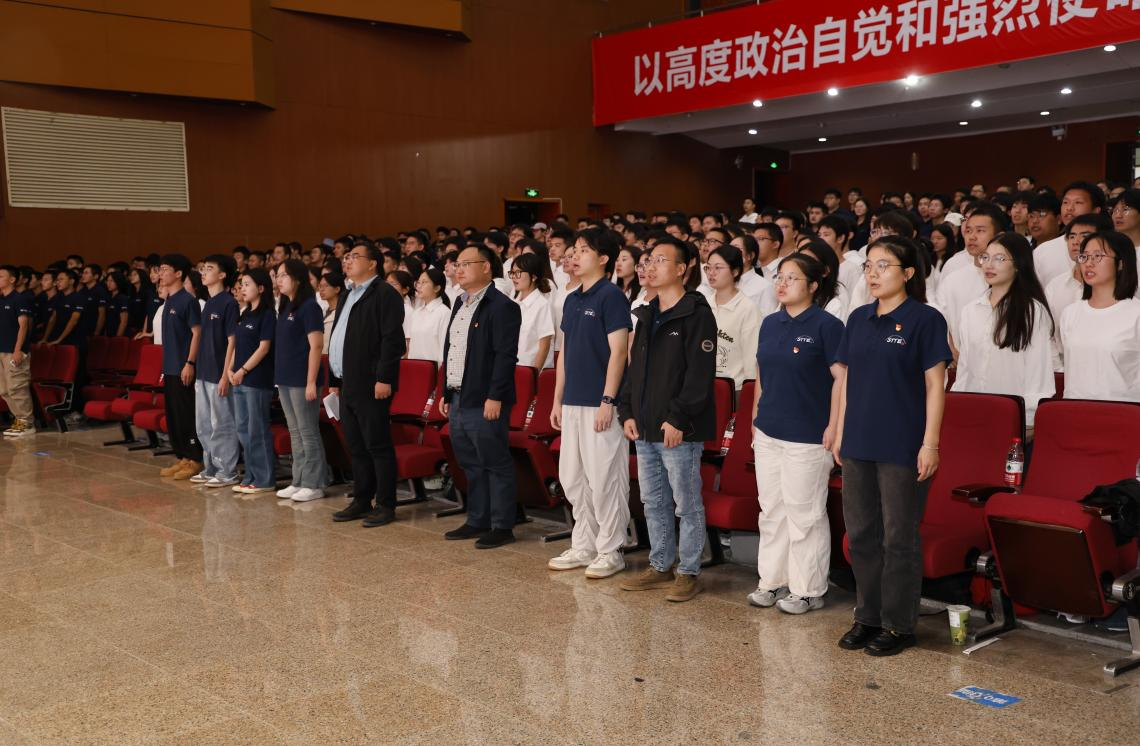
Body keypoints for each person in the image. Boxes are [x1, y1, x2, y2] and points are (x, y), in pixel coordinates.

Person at [833, 236, 951, 656]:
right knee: (861, 535)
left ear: (908, 272)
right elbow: (847, 379)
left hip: (902, 444)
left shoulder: (925, 319)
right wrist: (840, 431)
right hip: (858, 442)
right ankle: (867, 616)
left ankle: (899, 625)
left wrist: (931, 443)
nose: (873, 273)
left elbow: (936, 385)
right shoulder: (858, 318)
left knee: (898, 538)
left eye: (884, 265)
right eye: (868, 265)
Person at [617, 236, 716, 602]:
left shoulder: (696, 313)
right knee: (653, 500)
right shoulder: (646, 313)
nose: (651, 266)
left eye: (661, 260)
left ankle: (689, 571)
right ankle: (660, 564)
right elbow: (635, 369)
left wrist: (678, 418)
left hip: (678, 428)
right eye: (649, 260)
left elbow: (699, 375)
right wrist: (627, 411)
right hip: (645, 425)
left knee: (686, 503)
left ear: (681, 268)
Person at [748, 253, 844, 614]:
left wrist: (835, 426)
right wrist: (755, 418)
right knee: (771, 510)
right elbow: (761, 374)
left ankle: (808, 589)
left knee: (805, 514)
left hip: (808, 434)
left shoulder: (827, 325)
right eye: (779, 277)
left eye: (792, 278)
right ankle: (772, 581)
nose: (782, 284)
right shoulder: (770, 323)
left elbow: (842, 379)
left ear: (814, 285)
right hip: (769, 430)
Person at [547, 228, 632, 579]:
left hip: (600, 401)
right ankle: (584, 543)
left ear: (603, 258)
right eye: (575, 250)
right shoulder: (572, 299)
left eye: (584, 250)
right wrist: (557, 399)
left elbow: (619, 352)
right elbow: (564, 353)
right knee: (572, 477)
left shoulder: (611, 297)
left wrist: (608, 399)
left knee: (604, 477)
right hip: (572, 401)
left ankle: (611, 549)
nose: (575, 256)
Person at [440, 245, 522, 548]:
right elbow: (452, 350)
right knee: (470, 462)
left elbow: (505, 356)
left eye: (466, 264)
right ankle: (478, 519)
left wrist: (495, 396)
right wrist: (446, 390)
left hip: (485, 398)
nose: (458, 270)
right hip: (458, 396)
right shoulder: (459, 303)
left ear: (486, 267)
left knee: (494, 462)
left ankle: (502, 525)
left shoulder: (501, 306)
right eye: (457, 265)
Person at [329, 240, 406, 527]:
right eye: (346, 257)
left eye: (354, 256)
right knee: (356, 445)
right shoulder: (347, 294)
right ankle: (362, 499)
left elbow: (392, 340)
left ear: (372, 263)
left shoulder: (384, 293)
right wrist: (334, 379)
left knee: (377, 446)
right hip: (347, 381)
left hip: (372, 382)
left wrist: (384, 378)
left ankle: (385, 505)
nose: (347, 261)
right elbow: (338, 338)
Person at [951, 233, 1055, 433]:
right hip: (971, 414)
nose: (989, 265)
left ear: (1018, 265)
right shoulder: (970, 310)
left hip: (1014, 418)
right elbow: (965, 369)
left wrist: (1028, 421)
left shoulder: (1032, 311)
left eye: (999, 258)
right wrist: (958, 403)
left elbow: (1038, 374)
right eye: (986, 257)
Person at [1059, 231, 1140, 402]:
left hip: (1122, 411)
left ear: (1121, 264)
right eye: (1084, 256)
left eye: (1098, 256)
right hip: (1074, 409)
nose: (1089, 263)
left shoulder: (1135, 313)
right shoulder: (1070, 313)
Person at [274, 259, 328, 502]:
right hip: (285, 377)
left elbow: (316, 346)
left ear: (297, 278)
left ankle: (314, 483)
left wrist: (311, 381)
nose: (279, 280)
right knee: (294, 431)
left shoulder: (310, 307)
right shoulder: (286, 306)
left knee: (308, 431)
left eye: (283, 275)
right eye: (277, 275)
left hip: (302, 378)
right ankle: (298, 480)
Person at [189, 255, 240, 488]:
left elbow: (232, 341)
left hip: (218, 374)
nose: (203, 272)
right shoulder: (208, 302)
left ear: (222, 274)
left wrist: (225, 374)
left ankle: (227, 471)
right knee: (203, 424)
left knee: (222, 424)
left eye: (209, 268)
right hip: (203, 372)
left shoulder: (229, 303)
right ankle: (210, 467)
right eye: (203, 268)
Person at [156, 254, 204, 481]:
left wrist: (190, 363)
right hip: (169, 367)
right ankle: (183, 456)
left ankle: (195, 458)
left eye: (165, 269)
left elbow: (197, 333)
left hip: (183, 367)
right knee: (174, 415)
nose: (161, 273)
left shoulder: (187, 300)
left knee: (186, 414)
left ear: (178, 273)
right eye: (160, 269)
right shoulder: (169, 300)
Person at [229, 269, 277, 494]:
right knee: (242, 429)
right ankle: (251, 474)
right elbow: (236, 345)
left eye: (247, 284)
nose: (243, 288)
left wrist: (243, 370)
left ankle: (265, 479)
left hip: (257, 379)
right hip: (239, 378)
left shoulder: (267, 315)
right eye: (242, 284)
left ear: (261, 288)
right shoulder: (245, 313)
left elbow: (264, 348)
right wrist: (230, 369)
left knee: (257, 428)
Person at [1044, 213, 1113, 369]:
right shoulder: (1055, 286)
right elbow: (1047, 333)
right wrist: (1059, 370)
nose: (1076, 241)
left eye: (1085, 236)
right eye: (1072, 236)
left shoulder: (1113, 286)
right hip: (1062, 369)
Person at [937, 202, 1006, 348]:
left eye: (980, 231)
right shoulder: (953, 278)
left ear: (999, 236)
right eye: (968, 230)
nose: (972, 237)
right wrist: (951, 349)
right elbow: (940, 318)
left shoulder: (1010, 277)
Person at [706, 244, 761, 390]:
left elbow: (752, 358)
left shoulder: (747, 308)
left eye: (718, 268)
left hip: (735, 389)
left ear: (735, 271)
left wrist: (749, 392)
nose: (711, 273)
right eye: (708, 267)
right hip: (704, 386)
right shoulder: (704, 304)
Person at [1034, 181, 1105, 287]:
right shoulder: (1042, 251)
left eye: (1078, 202)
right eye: (1065, 202)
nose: (1069, 208)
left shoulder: (1109, 248)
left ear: (1096, 210)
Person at [0, 266, 35, 438]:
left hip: (14, 351)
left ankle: (27, 423)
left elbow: (23, 326)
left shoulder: (19, 299)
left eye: (1, 276)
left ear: (12, 279)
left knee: (17, 387)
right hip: (1, 350)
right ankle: (19, 420)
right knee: (4, 390)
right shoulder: (1, 299)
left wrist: (18, 349)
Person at [510, 253, 555, 369]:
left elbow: (544, 345)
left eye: (518, 272)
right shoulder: (514, 303)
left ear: (533, 276)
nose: (514, 277)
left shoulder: (542, 305)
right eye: (512, 273)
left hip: (530, 369)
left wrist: (534, 374)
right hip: (512, 367)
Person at [405, 268, 452, 363]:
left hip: (433, 369)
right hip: (414, 367)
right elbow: (412, 346)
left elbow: (444, 349)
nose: (419, 286)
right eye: (418, 282)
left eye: (424, 282)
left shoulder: (444, 313)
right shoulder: (416, 313)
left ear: (437, 288)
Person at [317, 271, 344, 352]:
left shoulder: (343, 312)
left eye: (326, 286)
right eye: (320, 286)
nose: (321, 289)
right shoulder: (324, 310)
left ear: (337, 289)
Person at [103, 271, 130, 336]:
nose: (108, 283)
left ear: (118, 282)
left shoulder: (123, 298)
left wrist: (117, 338)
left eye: (111, 281)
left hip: (119, 336)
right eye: (107, 281)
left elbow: (123, 322)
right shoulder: (108, 297)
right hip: (108, 334)